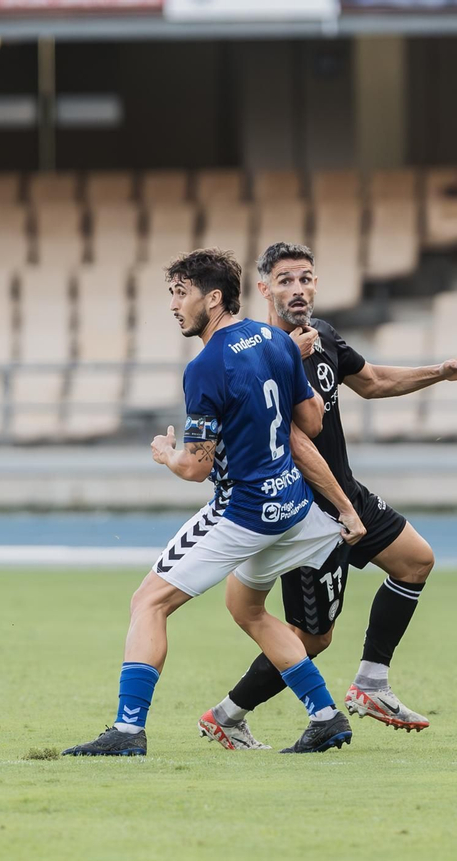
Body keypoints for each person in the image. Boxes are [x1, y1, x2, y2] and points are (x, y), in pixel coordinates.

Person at [61, 249, 365, 759]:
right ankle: (325, 717)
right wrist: (344, 508)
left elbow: (196, 468)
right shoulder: (277, 341)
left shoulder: (206, 366)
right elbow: (309, 424)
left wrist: (166, 454)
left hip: (242, 514)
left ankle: (127, 730)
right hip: (292, 507)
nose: (174, 305)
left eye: (181, 293)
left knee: (148, 602)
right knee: (248, 609)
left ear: (214, 297)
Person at [197, 243, 457, 750]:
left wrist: (438, 372)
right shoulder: (257, 354)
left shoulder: (324, 336)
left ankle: (372, 682)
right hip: (304, 511)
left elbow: (371, 381)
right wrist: (342, 510)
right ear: (263, 289)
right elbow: (294, 438)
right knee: (312, 639)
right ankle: (228, 714)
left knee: (416, 561)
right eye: (285, 280)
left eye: (306, 278)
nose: (299, 289)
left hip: (344, 493)